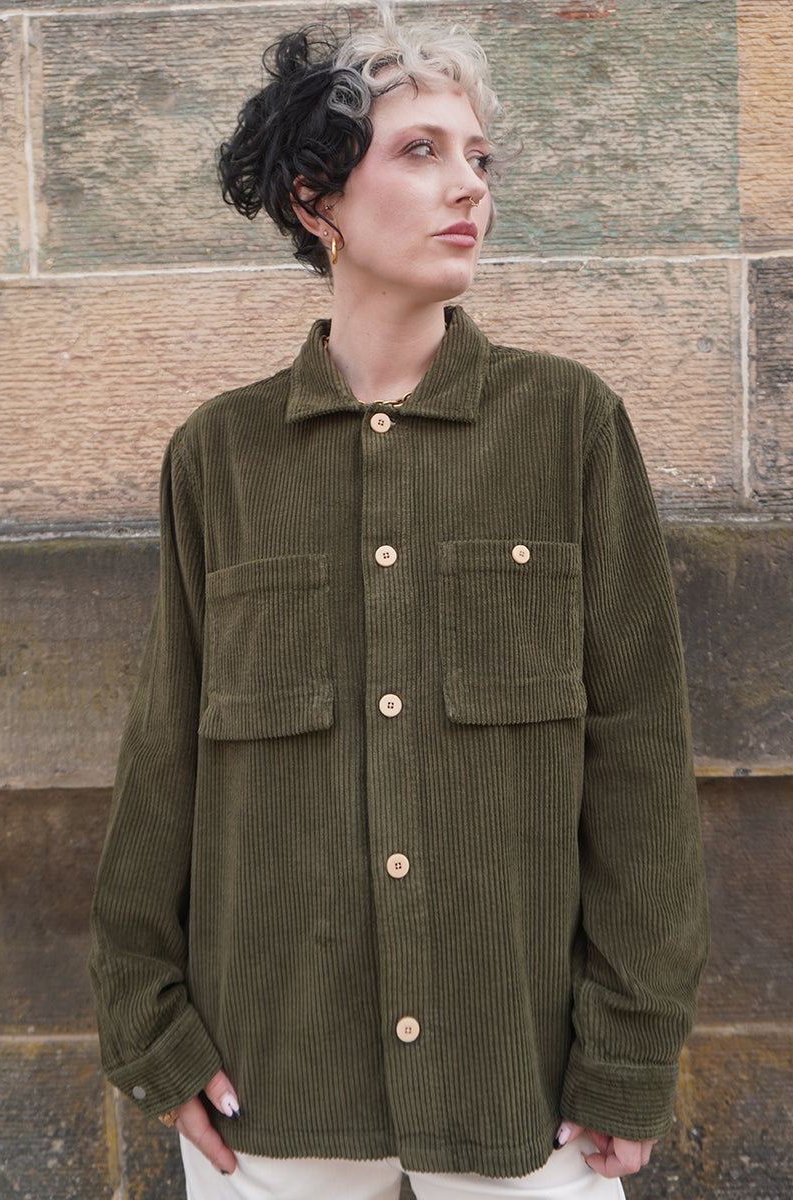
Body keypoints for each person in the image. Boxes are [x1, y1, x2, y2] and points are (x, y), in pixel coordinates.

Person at [89, 4, 709, 1198]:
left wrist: (629, 1054)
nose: (466, 184)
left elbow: (637, 757)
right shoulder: (219, 455)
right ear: (313, 197)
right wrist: (147, 1025)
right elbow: (163, 757)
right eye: (419, 150)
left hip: (521, 1085)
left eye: (477, 156)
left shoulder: (568, 426)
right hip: (272, 1080)